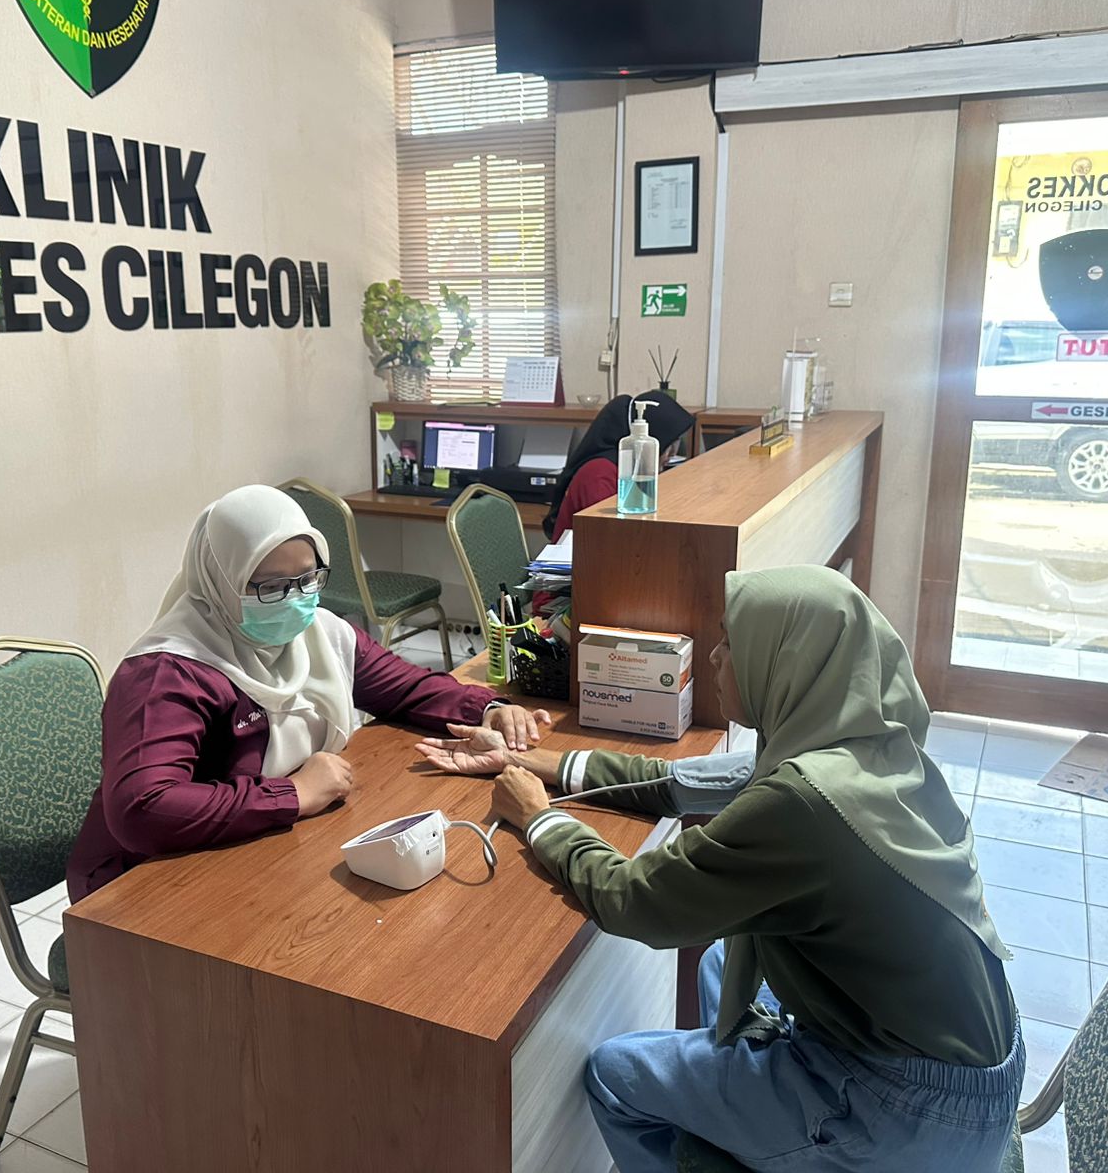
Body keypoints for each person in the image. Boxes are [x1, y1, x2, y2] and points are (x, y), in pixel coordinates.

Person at [419, 567, 1022, 1173]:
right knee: (719, 963)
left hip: (904, 1112)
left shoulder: (802, 803)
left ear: (783, 662)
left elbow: (636, 902)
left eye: (731, 642)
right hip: (973, 1065)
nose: (712, 655)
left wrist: (539, 820)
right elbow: (676, 783)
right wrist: (530, 762)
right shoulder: (865, 742)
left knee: (616, 1074)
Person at [66, 485, 549, 902]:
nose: (297, 600)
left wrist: (487, 708)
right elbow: (143, 808)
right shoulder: (167, 672)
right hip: (145, 884)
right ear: (221, 581)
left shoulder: (320, 633)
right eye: (271, 586)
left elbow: (405, 689)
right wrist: (294, 794)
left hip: (263, 853)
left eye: (308, 578)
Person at [543, 391, 697, 540]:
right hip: (579, 554)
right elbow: (609, 535)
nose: (672, 454)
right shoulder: (599, 474)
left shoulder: (632, 470)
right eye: (669, 445)